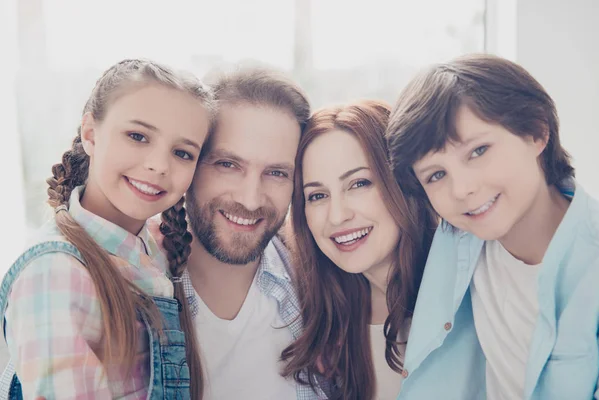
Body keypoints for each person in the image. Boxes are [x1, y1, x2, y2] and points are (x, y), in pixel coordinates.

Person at [387, 54, 599, 399]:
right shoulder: (456, 238)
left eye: (478, 151)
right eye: (436, 175)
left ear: (536, 132)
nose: (462, 189)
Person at [0, 59, 214, 399]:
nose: (159, 165)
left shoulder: (153, 252)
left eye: (182, 153)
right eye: (137, 136)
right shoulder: (54, 272)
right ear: (91, 134)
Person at [179, 66, 326, 399]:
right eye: (228, 165)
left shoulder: (321, 285)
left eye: (276, 173)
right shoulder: (135, 287)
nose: (250, 198)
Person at [280, 100, 436, 400]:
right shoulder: (330, 319)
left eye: (359, 183)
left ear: (401, 182)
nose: (337, 216)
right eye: (317, 195)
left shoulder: (464, 296)